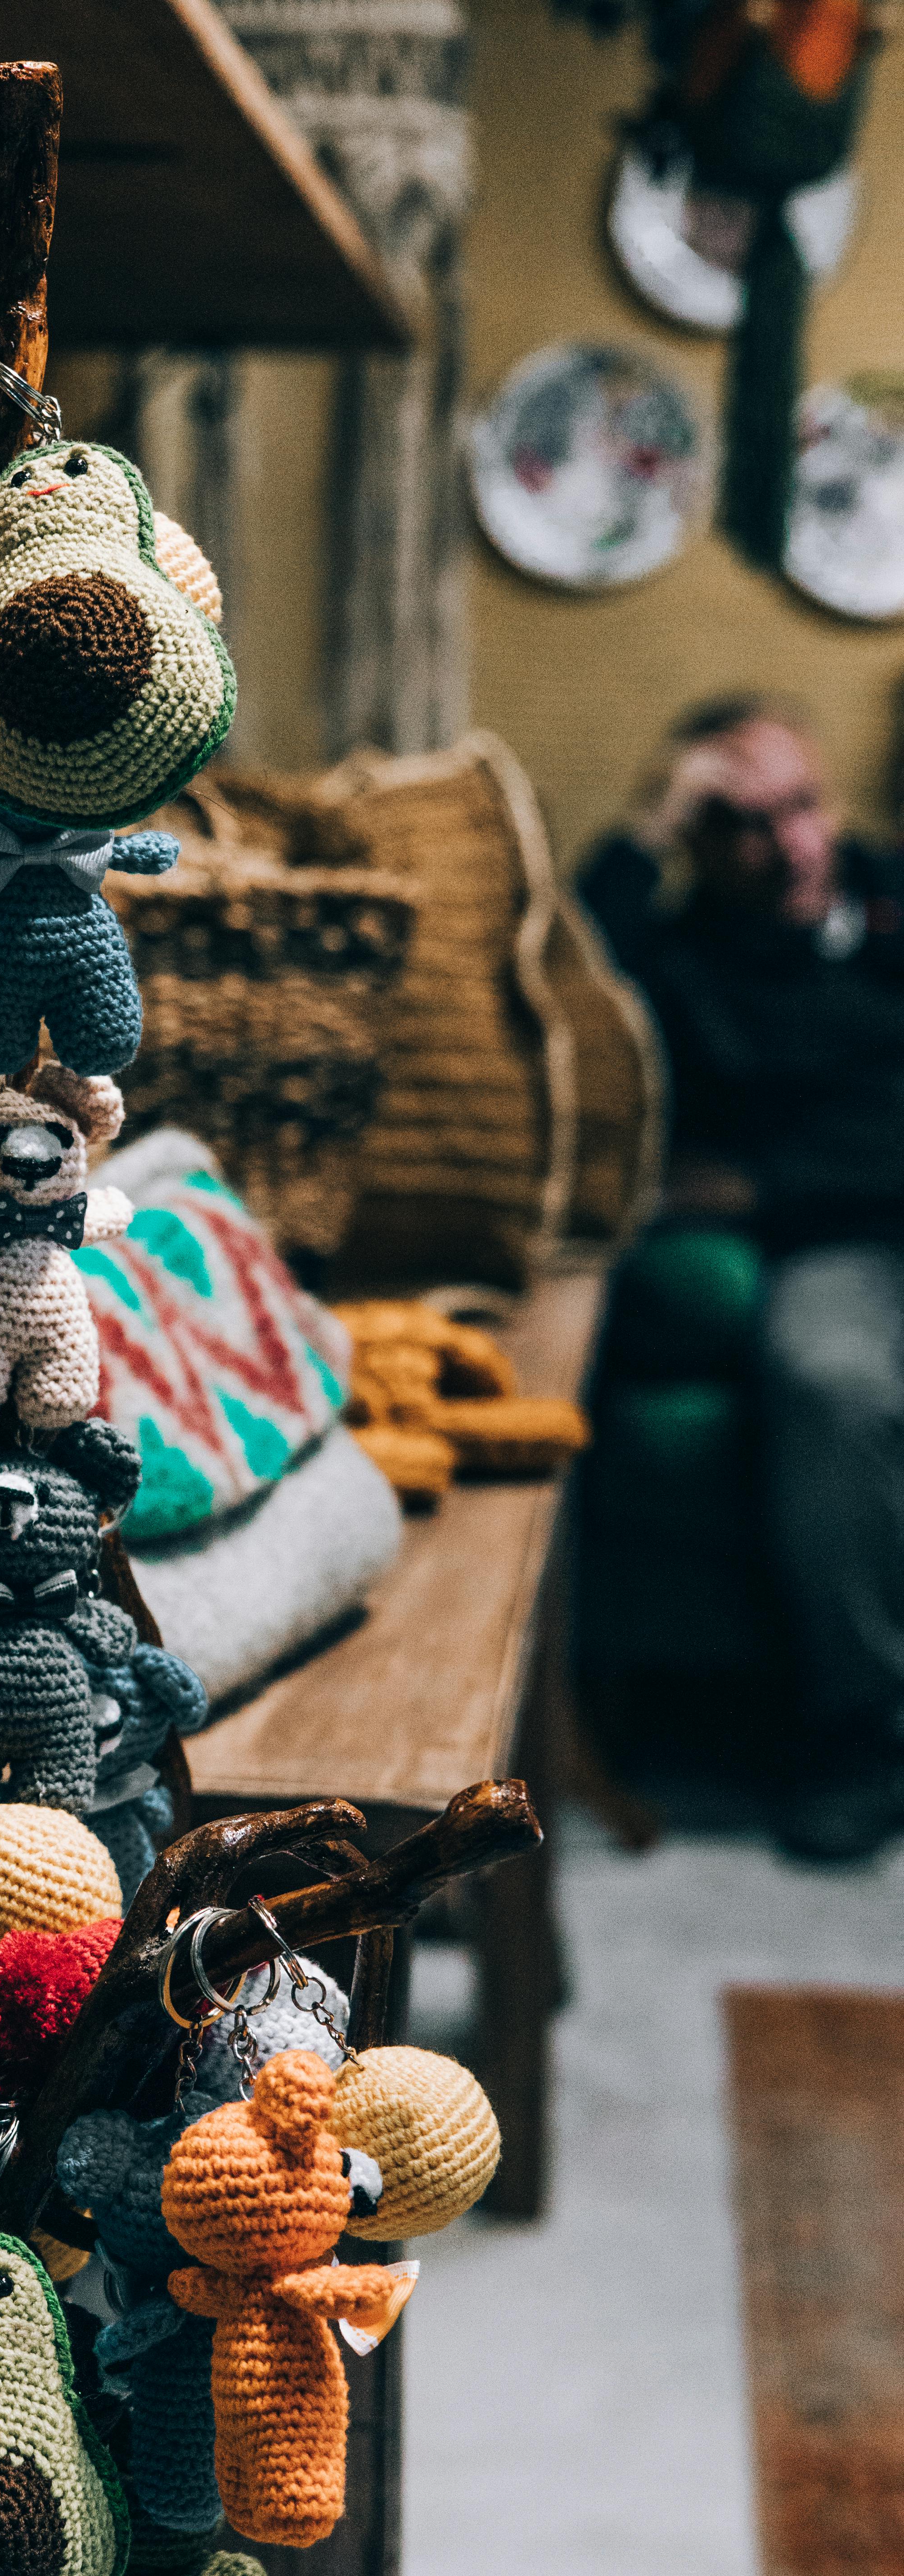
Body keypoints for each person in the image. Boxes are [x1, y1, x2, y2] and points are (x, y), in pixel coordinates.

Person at [579, 694, 904, 1861]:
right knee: (830, 1381)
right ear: (706, 844)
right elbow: (571, 992)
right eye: (751, 824)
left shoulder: (891, 898)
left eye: (804, 807)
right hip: (845, 1257)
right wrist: (647, 828)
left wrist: (762, 1184)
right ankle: (863, 1733)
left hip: (811, 1206)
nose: (794, 846)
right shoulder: (685, 955)